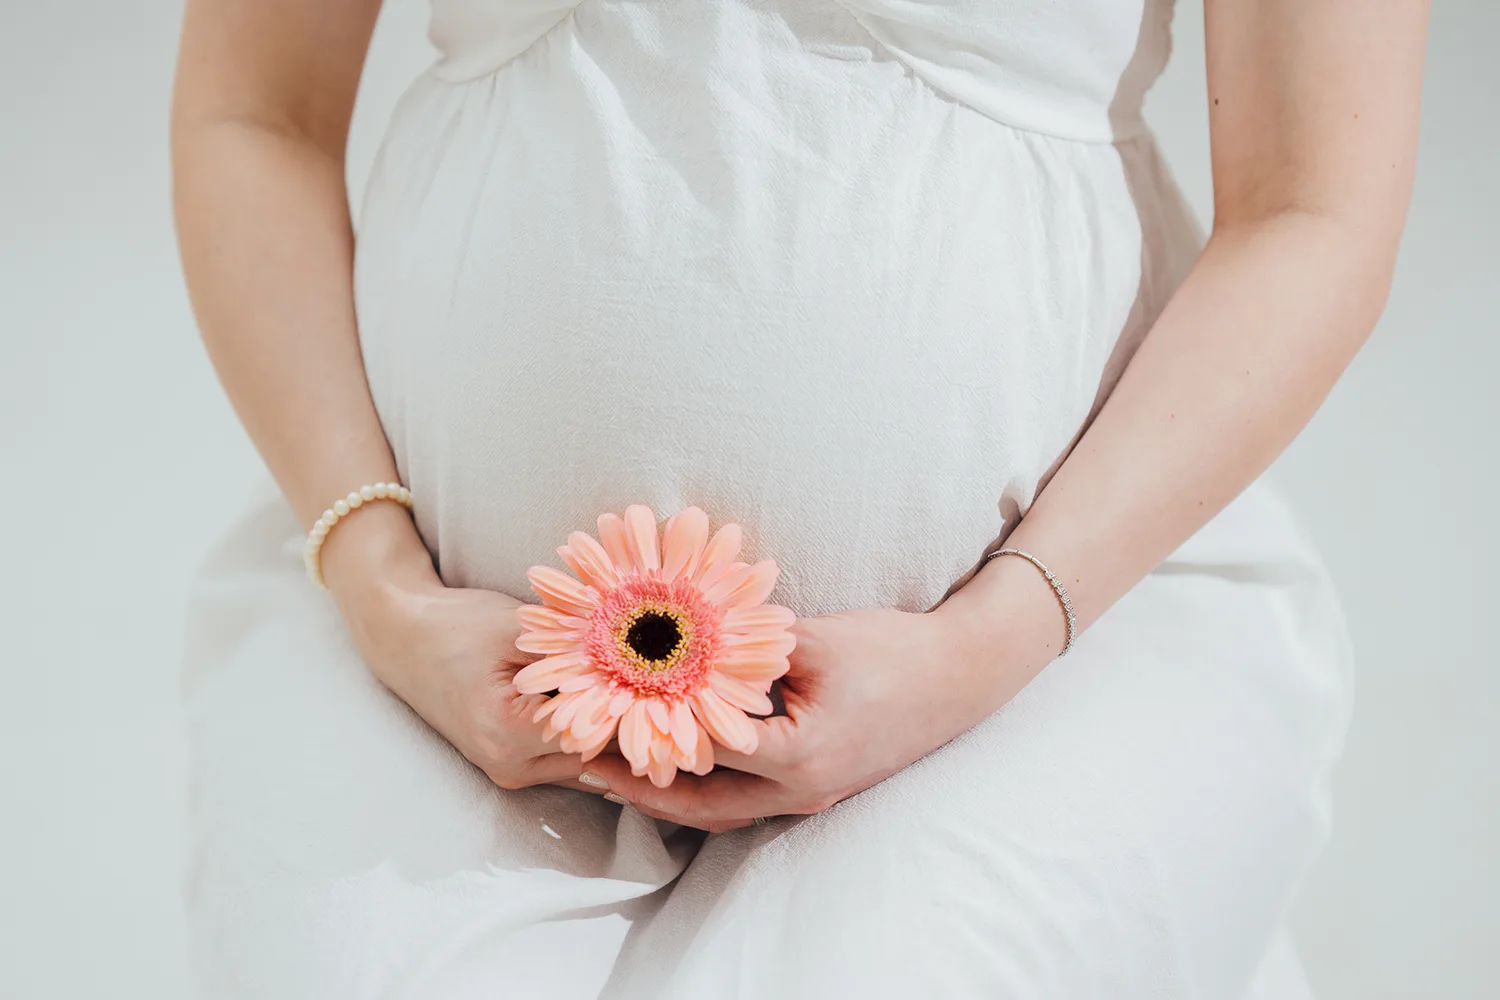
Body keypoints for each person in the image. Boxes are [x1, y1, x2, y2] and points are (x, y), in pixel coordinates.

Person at [169, 0, 1427, 996]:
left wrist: (989, 640)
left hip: (1057, 645)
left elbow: (1311, 205)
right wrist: (382, 587)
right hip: (421, 638)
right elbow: (256, 113)